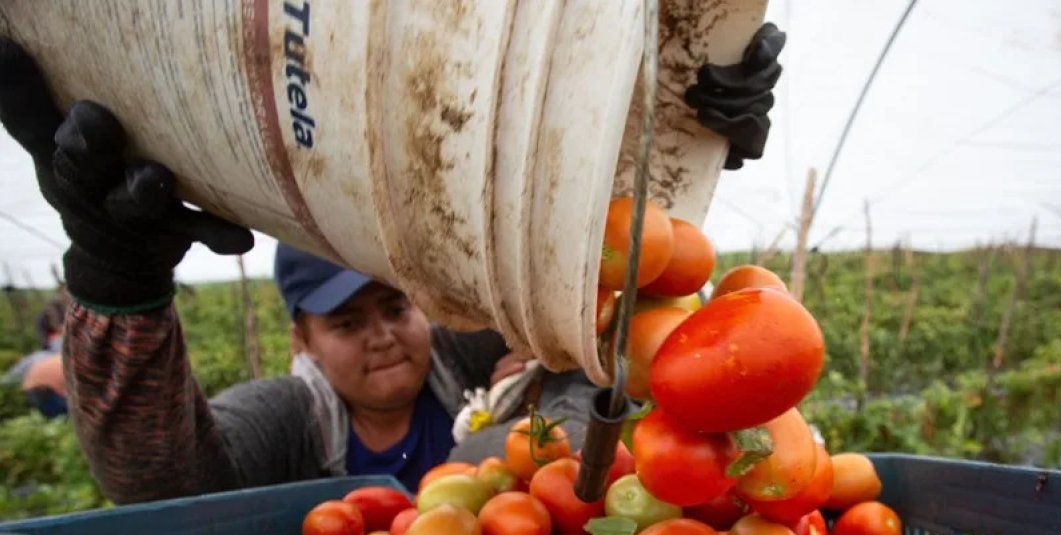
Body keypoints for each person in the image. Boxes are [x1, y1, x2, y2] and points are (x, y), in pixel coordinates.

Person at [0, 25, 786, 504]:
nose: (381, 335)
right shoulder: (291, 420)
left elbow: (598, 319)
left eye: (393, 306)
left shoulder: (461, 356)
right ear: (303, 340)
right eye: (345, 322)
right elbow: (163, 482)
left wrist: (665, 159)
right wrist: (117, 281)